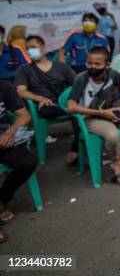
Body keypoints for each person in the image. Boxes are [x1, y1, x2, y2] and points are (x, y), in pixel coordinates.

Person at [67, 47, 120, 185]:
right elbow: (71, 107)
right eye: (89, 63)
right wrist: (102, 113)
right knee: (113, 135)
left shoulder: (113, 75)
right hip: (91, 118)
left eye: (97, 64)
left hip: (113, 113)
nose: (92, 66)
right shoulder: (81, 79)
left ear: (107, 65)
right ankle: (115, 160)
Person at [15, 35, 80, 164]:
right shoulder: (24, 69)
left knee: (79, 112)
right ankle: (77, 111)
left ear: (43, 48)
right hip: (45, 105)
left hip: (64, 102)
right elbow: (21, 91)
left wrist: (71, 100)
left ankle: (75, 149)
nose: (29, 51)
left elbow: (78, 84)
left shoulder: (61, 67)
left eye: (33, 47)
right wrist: (39, 98)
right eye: (27, 49)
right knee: (74, 111)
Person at [0, 81, 36, 244]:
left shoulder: (4, 87)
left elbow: (25, 115)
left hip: (3, 141)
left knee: (28, 162)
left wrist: (10, 131)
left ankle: (1, 200)